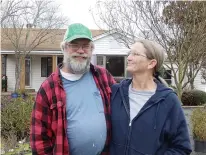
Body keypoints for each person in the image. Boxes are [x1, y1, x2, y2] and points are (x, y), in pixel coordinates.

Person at [30, 23, 115, 155]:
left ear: (91, 49)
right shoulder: (48, 88)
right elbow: (39, 140)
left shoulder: (103, 77)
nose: (80, 50)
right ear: (64, 48)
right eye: (74, 45)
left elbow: (124, 105)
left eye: (86, 46)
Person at [110, 40, 192, 155]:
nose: (129, 58)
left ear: (151, 63)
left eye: (136, 54)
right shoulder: (115, 92)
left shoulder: (168, 100)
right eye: (130, 53)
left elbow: (182, 147)